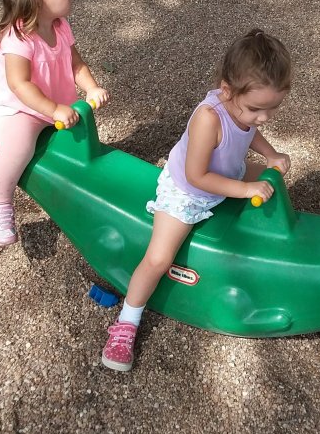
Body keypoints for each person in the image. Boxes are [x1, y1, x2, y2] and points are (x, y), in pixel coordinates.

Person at [102, 29, 292, 371]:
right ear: (227, 90)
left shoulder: (242, 108)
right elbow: (196, 176)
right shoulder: (209, 118)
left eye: (272, 108)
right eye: (256, 108)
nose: (263, 117)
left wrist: (271, 155)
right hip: (188, 192)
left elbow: (249, 132)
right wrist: (245, 189)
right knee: (159, 258)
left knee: (271, 182)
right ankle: (126, 323)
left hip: (227, 172)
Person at [0, 0, 109, 247]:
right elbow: (20, 84)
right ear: (37, 2)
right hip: (17, 109)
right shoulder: (17, 39)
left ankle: (82, 189)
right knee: (18, 151)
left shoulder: (60, 26)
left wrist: (91, 88)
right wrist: (52, 109)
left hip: (54, 104)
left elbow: (76, 64)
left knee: (79, 141)